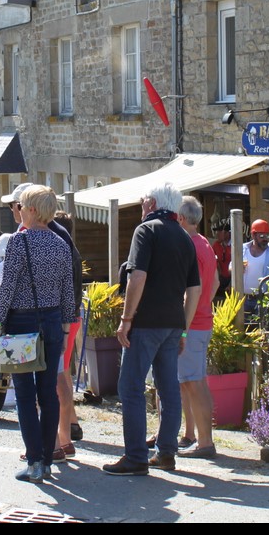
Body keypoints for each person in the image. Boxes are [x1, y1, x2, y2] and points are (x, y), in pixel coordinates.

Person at [103, 182, 200, 477]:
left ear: (152, 203)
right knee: (168, 389)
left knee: (130, 387)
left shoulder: (146, 230)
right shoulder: (185, 237)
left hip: (146, 322)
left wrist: (126, 318)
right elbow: (194, 290)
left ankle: (135, 457)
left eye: (143, 199)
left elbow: (138, 277)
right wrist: (183, 328)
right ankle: (167, 453)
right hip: (172, 323)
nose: (141, 204)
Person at [0, 185, 75, 485]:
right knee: (48, 393)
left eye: (22, 206)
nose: (20, 211)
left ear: (31, 210)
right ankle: (47, 459)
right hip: (53, 324)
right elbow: (69, 291)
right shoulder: (60, 243)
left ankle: (35, 460)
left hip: (21, 326)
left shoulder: (18, 242)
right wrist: (66, 329)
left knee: (26, 396)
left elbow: (8, 288)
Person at [176, 196, 219, 459]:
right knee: (194, 382)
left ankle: (204, 443)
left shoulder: (189, 246)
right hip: (203, 321)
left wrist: (182, 327)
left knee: (194, 382)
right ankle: (196, 437)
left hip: (191, 325)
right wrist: (203, 307)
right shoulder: (204, 243)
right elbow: (213, 284)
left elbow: (189, 292)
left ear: (181, 218)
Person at [50, 210, 84, 460]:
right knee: (63, 373)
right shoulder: (72, 248)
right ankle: (67, 431)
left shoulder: (59, 247)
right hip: (71, 317)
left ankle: (60, 439)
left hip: (62, 319)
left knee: (57, 377)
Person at [234, 218, 269, 314]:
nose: (265, 239)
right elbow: (230, 267)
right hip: (242, 299)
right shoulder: (242, 249)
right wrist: (236, 268)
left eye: (267, 235)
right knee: (241, 327)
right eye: (261, 235)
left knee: (262, 328)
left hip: (263, 300)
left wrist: (268, 297)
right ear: (253, 235)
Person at [211, 223, 232, 302]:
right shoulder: (216, 245)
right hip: (221, 278)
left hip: (232, 278)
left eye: (219, 233)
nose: (217, 235)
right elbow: (211, 258)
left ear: (227, 233)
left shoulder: (234, 245)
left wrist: (231, 284)